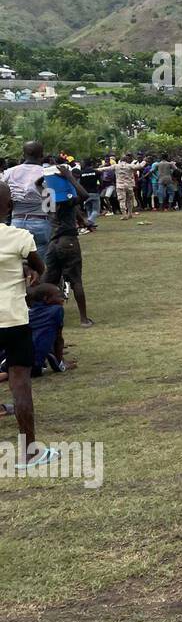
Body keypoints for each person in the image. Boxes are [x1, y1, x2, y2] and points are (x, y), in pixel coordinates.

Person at [0, 182, 50, 469]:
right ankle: (30, 452)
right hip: (13, 319)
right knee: (20, 385)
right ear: (9, 206)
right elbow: (40, 268)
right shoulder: (20, 237)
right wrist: (27, 269)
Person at [42, 163, 93, 326]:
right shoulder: (68, 201)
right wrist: (68, 177)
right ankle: (84, 319)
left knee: (50, 280)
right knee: (76, 280)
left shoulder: (48, 200)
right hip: (68, 241)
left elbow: (39, 185)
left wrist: (45, 177)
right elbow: (84, 195)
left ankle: (44, 316)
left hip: (53, 243)